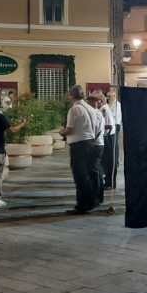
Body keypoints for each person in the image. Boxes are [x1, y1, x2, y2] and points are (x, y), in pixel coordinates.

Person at [61, 85, 103, 214]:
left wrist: (61, 132)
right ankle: (92, 201)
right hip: (90, 143)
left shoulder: (75, 109)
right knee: (88, 175)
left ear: (71, 95)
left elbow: (70, 129)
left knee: (80, 177)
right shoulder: (90, 108)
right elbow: (97, 127)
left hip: (79, 145)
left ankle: (82, 205)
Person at [89, 92, 111, 206]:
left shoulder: (96, 113)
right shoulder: (96, 113)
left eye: (91, 101)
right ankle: (97, 196)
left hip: (96, 145)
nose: (89, 103)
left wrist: (91, 142)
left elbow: (96, 131)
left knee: (96, 171)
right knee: (96, 170)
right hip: (98, 144)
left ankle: (98, 197)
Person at [105, 87, 122, 189]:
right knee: (107, 157)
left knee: (112, 157)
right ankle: (107, 180)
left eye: (110, 95)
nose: (109, 96)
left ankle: (112, 182)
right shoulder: (106, 105)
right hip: (106, 131)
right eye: (108, 95)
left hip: (114, 129)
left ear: (114, 95)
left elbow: (117, 120)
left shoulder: (118, 106)